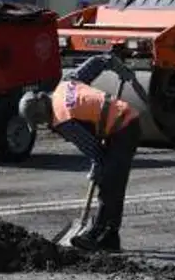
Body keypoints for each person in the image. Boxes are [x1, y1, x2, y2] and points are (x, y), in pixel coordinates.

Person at [18, 56, 141, 252]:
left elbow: (94, 150)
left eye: (39, 121)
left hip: (123, 128)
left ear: (42, 111)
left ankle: (97, 234)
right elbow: (97, 62)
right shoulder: (65, 84)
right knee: (111, 181)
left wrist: (97, 167)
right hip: (120, 123)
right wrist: (114, 64)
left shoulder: (63, 119)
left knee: (109, 183)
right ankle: (109, 237)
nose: (43, 124)